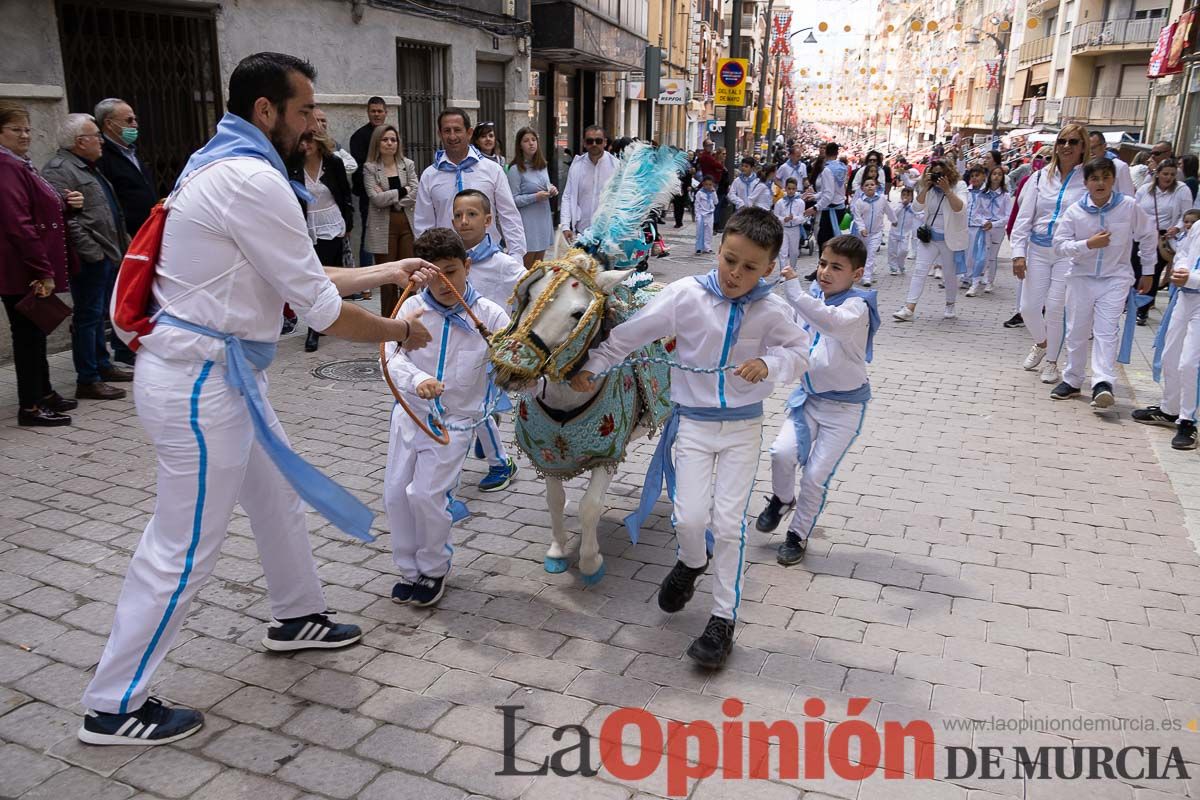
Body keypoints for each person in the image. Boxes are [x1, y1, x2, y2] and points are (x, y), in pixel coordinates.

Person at [77, 52, 437, 747]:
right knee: (180, 548)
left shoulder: (224, 162)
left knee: (273, 499)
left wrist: (389, 269)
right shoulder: (250, 178)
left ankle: (297, 616)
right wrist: (400, 330)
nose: (313, 127)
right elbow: (321, 310)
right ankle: (113, 703)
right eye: (304, 112)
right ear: (266, 111)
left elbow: (292, 268)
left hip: (217, 376)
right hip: (201, 385)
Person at [570, 208, 809, 669]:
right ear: (718, 249)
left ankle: (722, 620)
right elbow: (627, 338)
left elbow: (801, 351)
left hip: (742, 427)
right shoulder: (684, 295)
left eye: (750, 267)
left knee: (728, 524)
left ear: (771, 266)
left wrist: (771, 366)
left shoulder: (771, 309)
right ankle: (692, 561)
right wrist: (592, 368)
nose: (737, 274)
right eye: (730, 260)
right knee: (689, 518)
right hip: (694, 425)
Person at [385, 228, 512, 607]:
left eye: (452, 271)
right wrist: (418, 378)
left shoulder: (489, 316)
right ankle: (409, 569)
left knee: (425, 494)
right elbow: (390, 358)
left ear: (467, 267)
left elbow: (514, 366)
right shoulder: (410, 310)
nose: (444, 283)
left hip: (454, 421)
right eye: (433, 275)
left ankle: (434, 568)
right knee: (395, 495)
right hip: (409, 414)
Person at [756, 235, 877, 565]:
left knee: (815, 477)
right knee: (780, 453)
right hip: (808, 400)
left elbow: (830, 322)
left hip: (844, 409)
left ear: (857, 273)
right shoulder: (811, 299)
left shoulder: (858, 307)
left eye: (836, 267)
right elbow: (789, 336)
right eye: (823, 263)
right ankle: (782, 499)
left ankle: (798, 534)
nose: (825, 272)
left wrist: (793, 291)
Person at [1050, 156, 1157, 409]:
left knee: (1106, 331)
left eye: (1105, 177)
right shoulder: (1075, 211)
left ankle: (1103, 383)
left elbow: (1148, 235)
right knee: (1077, 330)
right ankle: (1073, 380)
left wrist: (1149, 270)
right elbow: (1059, 245)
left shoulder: (1129, 206)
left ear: (1113, 180)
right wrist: (1088, 244)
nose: (1100, 183)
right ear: (1086, 182)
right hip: (1080, 279)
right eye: (1094, 178)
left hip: (1116, 278)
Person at [42, 113, 134, 400]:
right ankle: (88, 377)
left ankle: (102, 365)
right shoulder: (59, 169)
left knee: (98, 316)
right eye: (96, 135)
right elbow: (65, 219)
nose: (101, 141)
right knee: (87, 316)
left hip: (106, 252)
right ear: (80, 142)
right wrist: (92, 252)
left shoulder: (88, 166)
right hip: (91, 256)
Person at [0, 101, 77, 427]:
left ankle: (43, 392)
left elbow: (38, 206)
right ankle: (30, 406)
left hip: (26, 268)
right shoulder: (6, 167)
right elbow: (18, 222)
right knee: (28, 337)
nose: (25, 135)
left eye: (28, 129)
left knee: (36, 333)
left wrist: (65, 203)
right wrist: (41, 270)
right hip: (21, 271)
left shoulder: (20, 164)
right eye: (16, 129)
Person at [1010, 123, 1088, 384]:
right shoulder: (1040, 177)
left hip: (1068, 253)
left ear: (1082, 147)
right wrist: (1018, 253)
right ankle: (1042, 343)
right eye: (1062, 141)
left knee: (1055, 308)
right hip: (1038, 250)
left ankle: (1053, 362)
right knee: (1029, 308)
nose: (1067, 146)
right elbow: (1024, 218)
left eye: (1073, 142)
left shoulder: (1088, 178)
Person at [414, 108, 525, 260]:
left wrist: (516, 255)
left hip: (489, 258)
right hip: (447, 262)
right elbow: (423, 225)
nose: (452, 136)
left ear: (469, 132)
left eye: (457, 130)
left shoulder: (492, 170)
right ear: (440, 134)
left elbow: (509, 215)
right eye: (447, 131)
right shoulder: (429, 175)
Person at [1133, 218, 1200, 449]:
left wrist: (1191, 277)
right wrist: (1181, 268)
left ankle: (1188, 421)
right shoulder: (1199, 227)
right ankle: (1170, 410)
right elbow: (1183, 252)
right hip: (1185, 297)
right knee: (1169, 356)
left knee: (1190, 363)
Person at [291, 129, 354, 352]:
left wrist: (348, 223)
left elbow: (345, 193)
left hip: (332, 224)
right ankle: (314, 326)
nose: (305, 146)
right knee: (314, 278)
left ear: (318, 142)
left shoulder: (333, 163)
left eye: (309, 141)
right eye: (301, 142)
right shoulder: (293, 165)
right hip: (307, 227)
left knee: (330, 277)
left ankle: (325, 323)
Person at [892, 157, 968, 321]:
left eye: (941, 174)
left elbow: (960, 209)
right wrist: (926, 188)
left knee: (949, 275)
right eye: (935, 174)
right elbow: (916, 207)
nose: (938, 178)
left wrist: (948, 191)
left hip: (950, 240)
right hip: (929, 238)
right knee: (920, 271)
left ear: (949, 173)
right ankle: (909, 307)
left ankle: (950, 304)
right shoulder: (930, 189)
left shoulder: (959, 186)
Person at [364, 123, 418, 317]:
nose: (390, 143)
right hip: (383, 229)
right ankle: (389, 322)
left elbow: (416, 191)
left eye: (393, 139)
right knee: (388, 278)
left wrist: (391, 197)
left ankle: (411, 318)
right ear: (377, 143)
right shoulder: (370, 168)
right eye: (385, 139)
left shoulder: (408, 164)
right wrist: (403, 191)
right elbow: (376, 199)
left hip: (406, 225)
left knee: (410, 276)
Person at [1134, 158, 1193, 323]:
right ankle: (1133, 301)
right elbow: (1135, 210)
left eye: (1172, 174)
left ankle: (1143, 309)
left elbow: (1186, 213)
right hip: (1141, 234)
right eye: (1165, 173)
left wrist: (1178, 227)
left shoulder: (1181, 190)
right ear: (1158, 173)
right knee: (1137, 270)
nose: (1168, 177)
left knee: (1152, 270)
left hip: (1163, 237)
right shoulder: (1145, 190)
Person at [559, 125, 618, 245]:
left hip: (608, 235)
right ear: (584, 143)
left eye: (599, 141)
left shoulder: (616, 166)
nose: (594, 144)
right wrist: (565, 226)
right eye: (590, 141)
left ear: (605, 142)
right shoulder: (577, 166)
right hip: (582, 233)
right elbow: (568, 196)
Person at [507, 126, 556, 267]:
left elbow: (545, 185)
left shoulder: (542, 165)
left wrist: (551, 189)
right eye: (526, 141)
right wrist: (535, 197)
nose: (531, 143)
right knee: (527, 268)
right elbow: (513, 200)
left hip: (543, 219)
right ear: (520, 145)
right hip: (528, 224)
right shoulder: (515, 170)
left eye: (534, 140)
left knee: (539, 267)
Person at [349, 96, 388, 268]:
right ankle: (366, 279)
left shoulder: (391, 134)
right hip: (368, 196)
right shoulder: (359, 136)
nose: (377, 114)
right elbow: (360, 169)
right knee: (369, 236)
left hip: (391, 195)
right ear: (368, 113)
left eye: (380, 111)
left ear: (386, 113)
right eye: (373, 111)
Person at [966, 165, 1012, 297]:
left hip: (997, 229)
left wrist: (995, 224)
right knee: (980, 256)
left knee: (992, 257)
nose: (996, 176)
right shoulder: (982, 194)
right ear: (989, 176)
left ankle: (990, 281)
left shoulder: (1005, 196)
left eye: (999, 174)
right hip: (984, 227)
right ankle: (974, 284)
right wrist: (983, 222)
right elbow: (976, 213)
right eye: (994, 174)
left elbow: (1007, 216)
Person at [850, 177, 895, 287]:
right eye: (867, 185)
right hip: (863, 234)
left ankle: (867, 277)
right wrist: (861, 228)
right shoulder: (860, 202)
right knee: (863, 254)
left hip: (877, 232)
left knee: (871, 253)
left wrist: (894, 220)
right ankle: (858, 272)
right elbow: (857, 217)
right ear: (862, 188)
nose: (870, 186)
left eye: (872, 184)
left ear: (876, 186)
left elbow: (889, 210)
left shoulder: (881, 200)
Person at [807, 142, 849, 255]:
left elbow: (828, 195)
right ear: (837, 153)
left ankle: (823, 265)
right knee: (833, 241)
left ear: (826, 153)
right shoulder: (842, 167)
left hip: (831, 210)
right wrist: (815, 196)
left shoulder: (827, 170)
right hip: (840, 207)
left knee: (824, 241)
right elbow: (834, 190)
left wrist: (815, 207)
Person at [1087, 130, 1133, 195]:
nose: (1090, 152)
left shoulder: (1119, 166)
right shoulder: (1084, 166)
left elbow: (1128, 195)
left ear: (1104, 146)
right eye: (1087, 148)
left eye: (1093, 148)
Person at [313, 108, 357, 176]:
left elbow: (352, 165)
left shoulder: (333, 143)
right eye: (317, 120)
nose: (320, 124)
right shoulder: (306, 144)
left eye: (323, 121)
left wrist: (335, 164)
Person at [773, 177, 804, 270]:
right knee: (783, 252)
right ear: (785, 188)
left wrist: (793, 218)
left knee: (794, 252)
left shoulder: (800, 202)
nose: (791, 191)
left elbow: (802, 217)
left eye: (793, 189)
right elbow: (776, 217)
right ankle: (783, 272)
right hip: (784, 229)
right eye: (789, 188)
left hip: (795, 229)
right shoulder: (780, 202)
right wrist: (784, 219)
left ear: (796, 189)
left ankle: (792, 269)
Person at [887, 186, 919, 276]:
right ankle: (893, 267)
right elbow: (892, 214)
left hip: (905, 233)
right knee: (892, 251)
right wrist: (902, 205)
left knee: (903, 251)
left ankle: (901, 264)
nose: (906, 197)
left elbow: (919, 216)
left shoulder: (913, 208)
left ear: (912, 197)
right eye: (904, 195)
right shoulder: (897, 205)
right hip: (894, 232)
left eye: (908, 195)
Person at [694, 174, 717, 254]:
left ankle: (708, 247)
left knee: (709, 231)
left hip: (710, 214)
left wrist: (713, 193)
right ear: (703, 184)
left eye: (710, 184)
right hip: (701, 214)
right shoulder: (700, 193)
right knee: (699, 231)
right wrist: (697, 215)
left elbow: (716, 202)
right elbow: (696, 204)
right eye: (706, 184)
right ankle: (699, 247)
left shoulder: (712, 192)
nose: (708, 186)